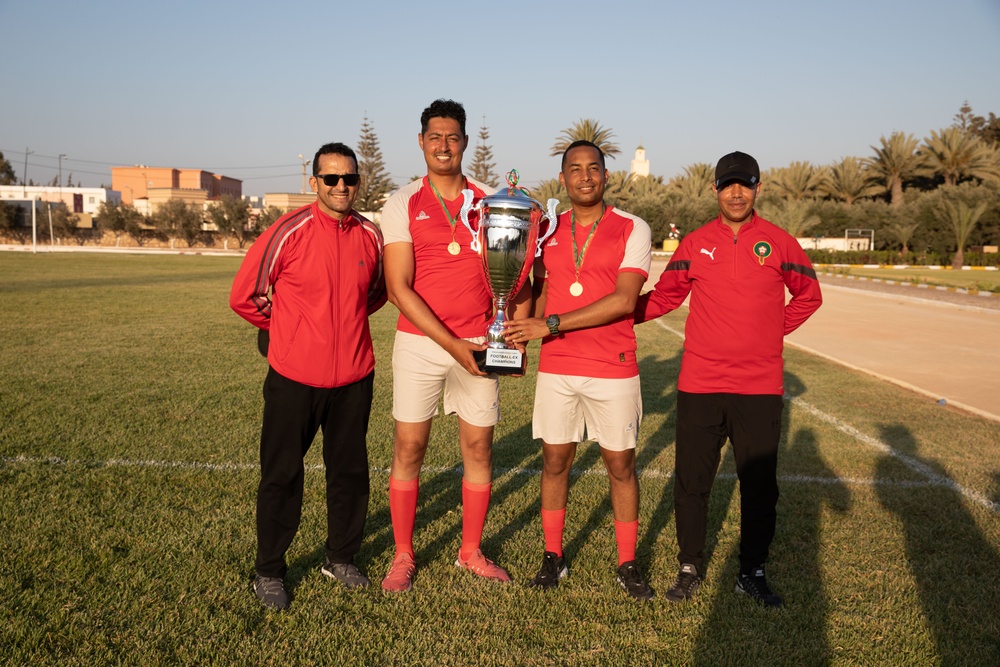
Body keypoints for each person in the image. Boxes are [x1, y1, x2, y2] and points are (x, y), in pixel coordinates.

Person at [634, 151, 822, 607]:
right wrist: (614, 314)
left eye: (745, 184)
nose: (736, 192)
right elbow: (663, 298)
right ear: (715, 189)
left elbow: (809, 295)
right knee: (692, 481)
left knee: (759, 486)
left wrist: (771, 329)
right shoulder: (696, 243)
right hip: (700, 383)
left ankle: (751, 572)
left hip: (758, 388)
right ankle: (690, 566)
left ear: (758, 189)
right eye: (727, 184)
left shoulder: (779, 242)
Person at [379, 99, 528, 592]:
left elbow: (521, 273)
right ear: (421, 142)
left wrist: (513, 333)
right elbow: (400, 288)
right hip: (421, 343)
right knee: (409, 446)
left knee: (478, 447)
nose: (444, 145)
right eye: (435, 137)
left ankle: (470, 551)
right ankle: (403, 554)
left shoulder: (491, 201)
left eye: (453, 137)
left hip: (480, 343)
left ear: (464, 142)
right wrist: (451, 346)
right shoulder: (401, 202)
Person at [230, 142, 387, 610]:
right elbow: (247, 296)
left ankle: (341, 557)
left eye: (350, 179)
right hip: (295, 379)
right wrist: (293, 332)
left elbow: (376, 293)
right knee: (281, 475)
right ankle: (269, 571)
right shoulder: (288, 230)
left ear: (359, 182)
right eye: (332, 179)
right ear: (314, 182)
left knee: (350, 475)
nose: (342, 187)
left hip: (355, 378)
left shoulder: (370, 236)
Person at [503, 140, 655, 600]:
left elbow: (625, 300)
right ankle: (553, 555)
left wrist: (548, 324)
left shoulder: (633, 228)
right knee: (554, 461)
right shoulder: (547, 231)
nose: (585, 176)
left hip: (614, 365)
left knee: (621, 465)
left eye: (593, 168)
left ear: (606, 176)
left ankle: (627, 562)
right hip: (559, 366)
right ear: (563, 179)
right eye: (575, 169)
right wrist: (518, 340)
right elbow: (543, 291)